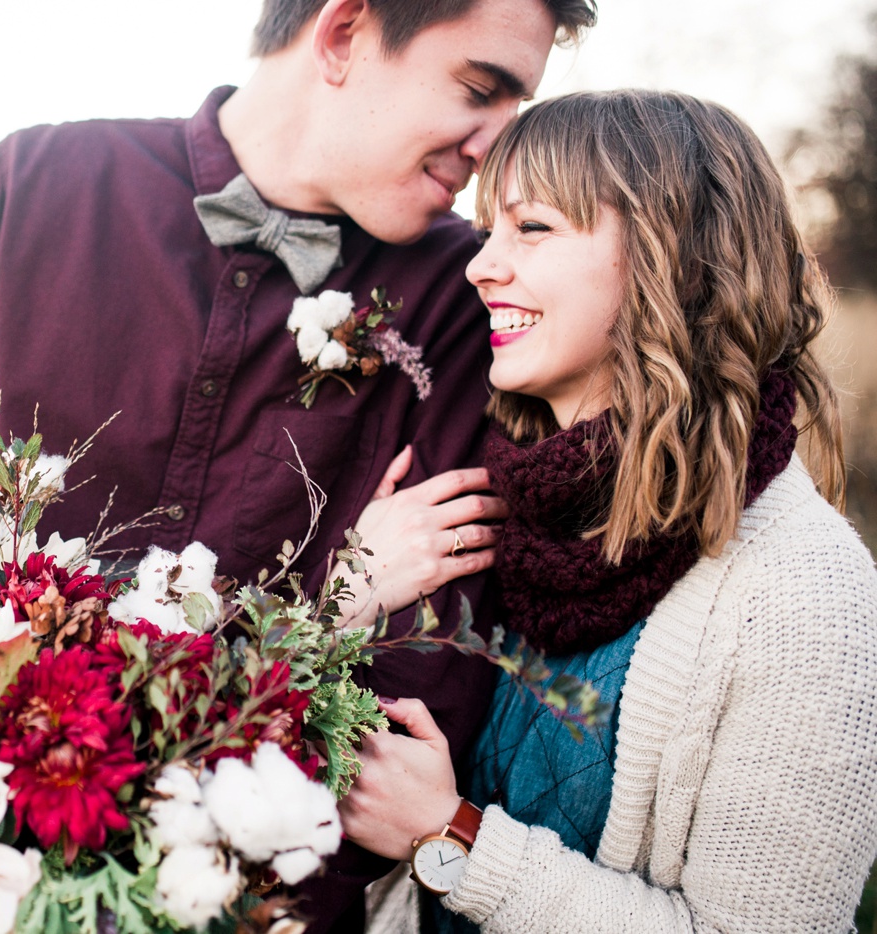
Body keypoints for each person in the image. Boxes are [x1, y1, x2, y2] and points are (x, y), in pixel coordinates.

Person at [0, 3, 596, 927]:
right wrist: (330, 600)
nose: (498, 147)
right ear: (342, 35)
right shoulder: (36, 186)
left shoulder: (470, 303)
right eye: (480, 89)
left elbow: (405, 714)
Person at [338, 89, 877, 932]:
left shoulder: (802, 588)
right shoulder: (499, 505)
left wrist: (451, 839)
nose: (481, 265)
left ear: (675, 260)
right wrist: (345, 600)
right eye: (489, 231)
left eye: (534, 228)